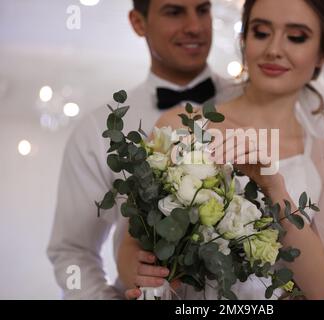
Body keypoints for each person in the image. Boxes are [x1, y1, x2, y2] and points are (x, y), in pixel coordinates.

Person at [119, 0, 324, 300]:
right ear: (244, 38)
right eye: (261, 32)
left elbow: (321, 288)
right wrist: (135, 270)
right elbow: (132, 245)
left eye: (296, 37)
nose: (274, 49)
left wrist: (276, 189)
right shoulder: (181, 125)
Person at [47, 0, 239, 299]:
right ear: (139, 22)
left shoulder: (255, 106)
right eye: (175, 12)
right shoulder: (98, 130)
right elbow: (73, 250)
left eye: (202, 9)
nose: (195, 26)